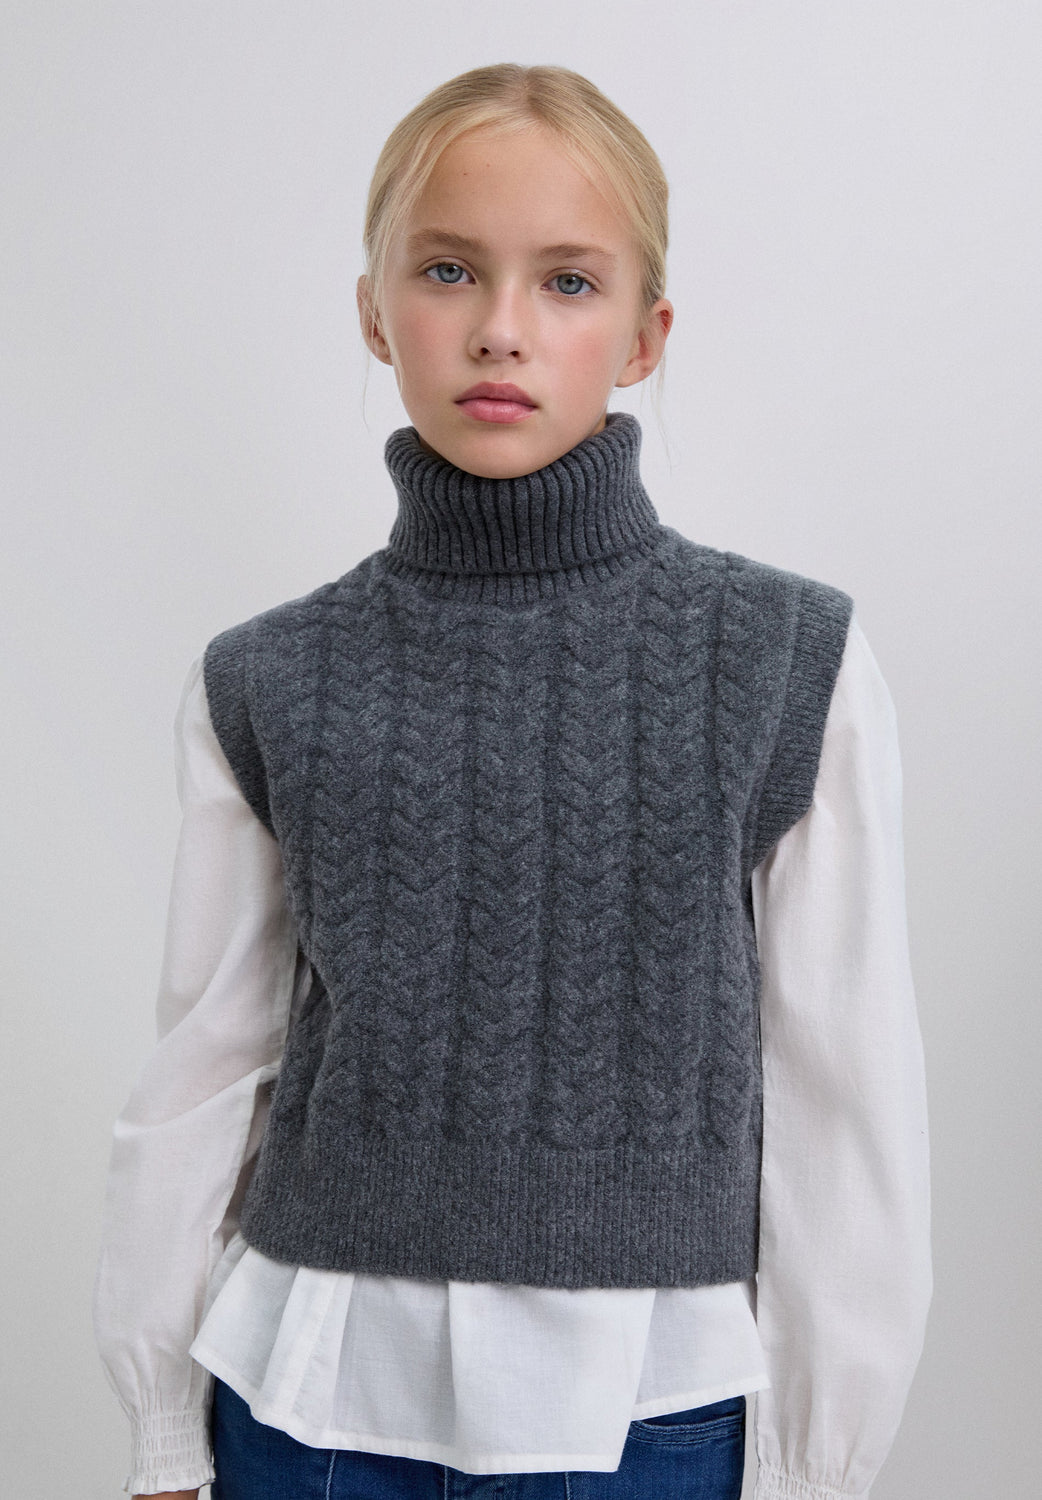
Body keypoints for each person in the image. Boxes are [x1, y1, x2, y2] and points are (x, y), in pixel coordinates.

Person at [92, 63, 932, 1500]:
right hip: (308, 1402)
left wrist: (814, 1463)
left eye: (567, 282)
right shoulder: (268, 677)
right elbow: (205, 1066)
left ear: (645, 335)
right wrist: (165, 1428)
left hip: (654, 1417)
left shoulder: (785, 661)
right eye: (446, 271)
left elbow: (841, 1091)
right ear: (373, 312)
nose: (499, 326)